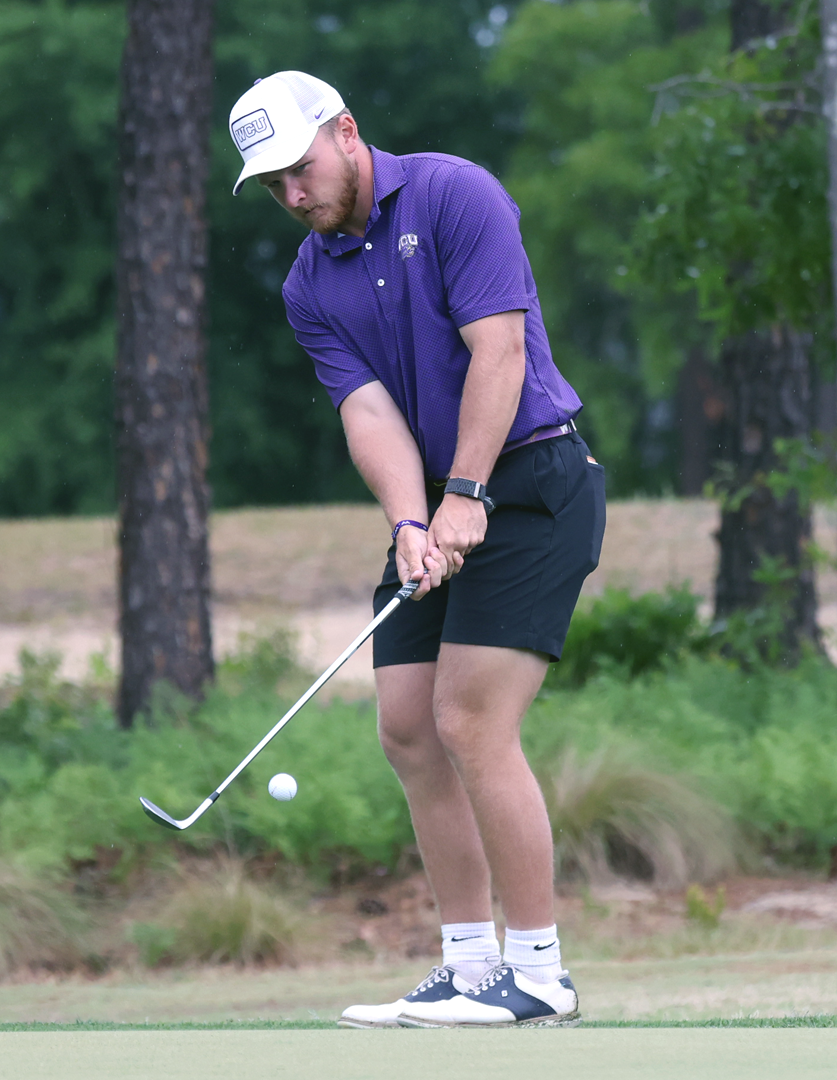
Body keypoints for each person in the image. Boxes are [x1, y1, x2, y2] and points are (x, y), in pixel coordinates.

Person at [226, 71, 605, 1028]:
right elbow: (368, 412)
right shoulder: (309, 282)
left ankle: (540, 971)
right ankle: (470, 963)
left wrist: (468, 493)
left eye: (298, 170)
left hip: (533, 483)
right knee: (407, 726)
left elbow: (501, 352)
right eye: (271, 186)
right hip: (439, 503)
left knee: (471, 722)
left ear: (346, 133)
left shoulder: (452, 193)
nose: (293, 196)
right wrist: (409, 519)